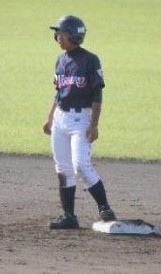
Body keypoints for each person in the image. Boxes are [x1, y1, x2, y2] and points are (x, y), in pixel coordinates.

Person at [42, 15, 117, 229]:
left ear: (75, 36)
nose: (59, 37)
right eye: (57, 33)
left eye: (63, 33)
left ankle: (104, 207)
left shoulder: (90, 60)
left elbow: (97, 95)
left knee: (81, 166)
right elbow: (59, 92)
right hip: (60, 118)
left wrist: (94, 125)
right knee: (63, 168)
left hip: (81, 119)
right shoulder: (60, 60)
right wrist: (50, 118)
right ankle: (69, 216)